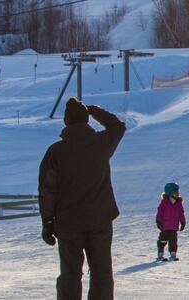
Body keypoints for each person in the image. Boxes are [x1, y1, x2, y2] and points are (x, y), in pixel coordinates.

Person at [38, 98, 126, 300]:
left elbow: (47, 190)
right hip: (100, 220)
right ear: (86, 119)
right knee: (102, 272)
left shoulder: (56, 152)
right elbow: (118, 126)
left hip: (68, 222)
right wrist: (94, 110)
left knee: (70, 273)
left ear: (66, 121)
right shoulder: (101, 143)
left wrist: (47, 222)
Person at [155, 183, 186, 262]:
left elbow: (181, 213)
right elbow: (160, 213)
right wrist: (158, 221)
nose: (177, 193)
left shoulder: (178, 203)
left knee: (173, 241)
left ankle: (173, 254)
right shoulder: (164, 203)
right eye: (175, 192)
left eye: (178, 192)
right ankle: (160, 253)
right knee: (163, 240)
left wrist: (183, 222)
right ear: (169, 192)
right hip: (165, 227)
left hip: (174, 227)